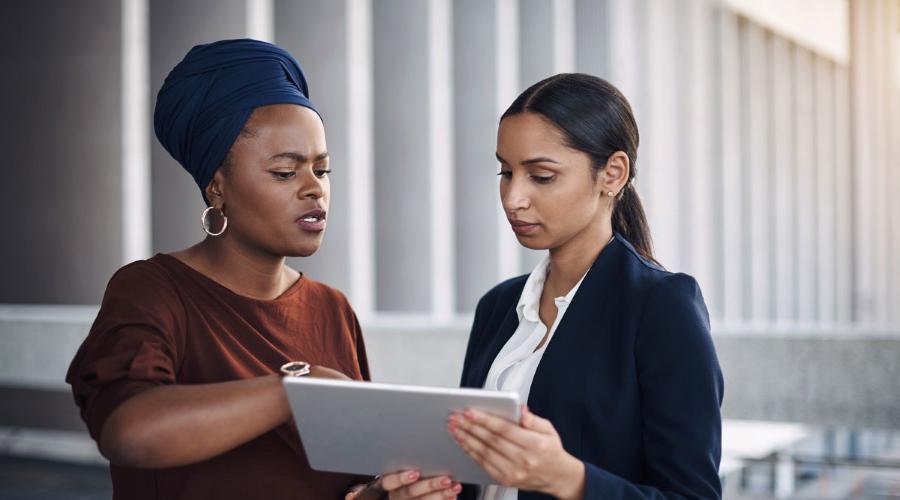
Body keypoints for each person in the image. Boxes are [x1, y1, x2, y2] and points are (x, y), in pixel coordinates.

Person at [66, 39, 459, 500]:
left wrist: (385, 493)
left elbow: (350, 481)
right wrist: (297, 389)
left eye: (322, 169)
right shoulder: (152, 291)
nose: (314, 189)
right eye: (284, 172)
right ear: (217, 186)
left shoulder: (332, 310)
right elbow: (128, 432)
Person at [447, 73, 724, 500]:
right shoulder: (498, 306)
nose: (512, 197)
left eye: (541, 176)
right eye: (505, 172)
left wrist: (569, 479)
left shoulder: (662, 308)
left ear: (612, 174)